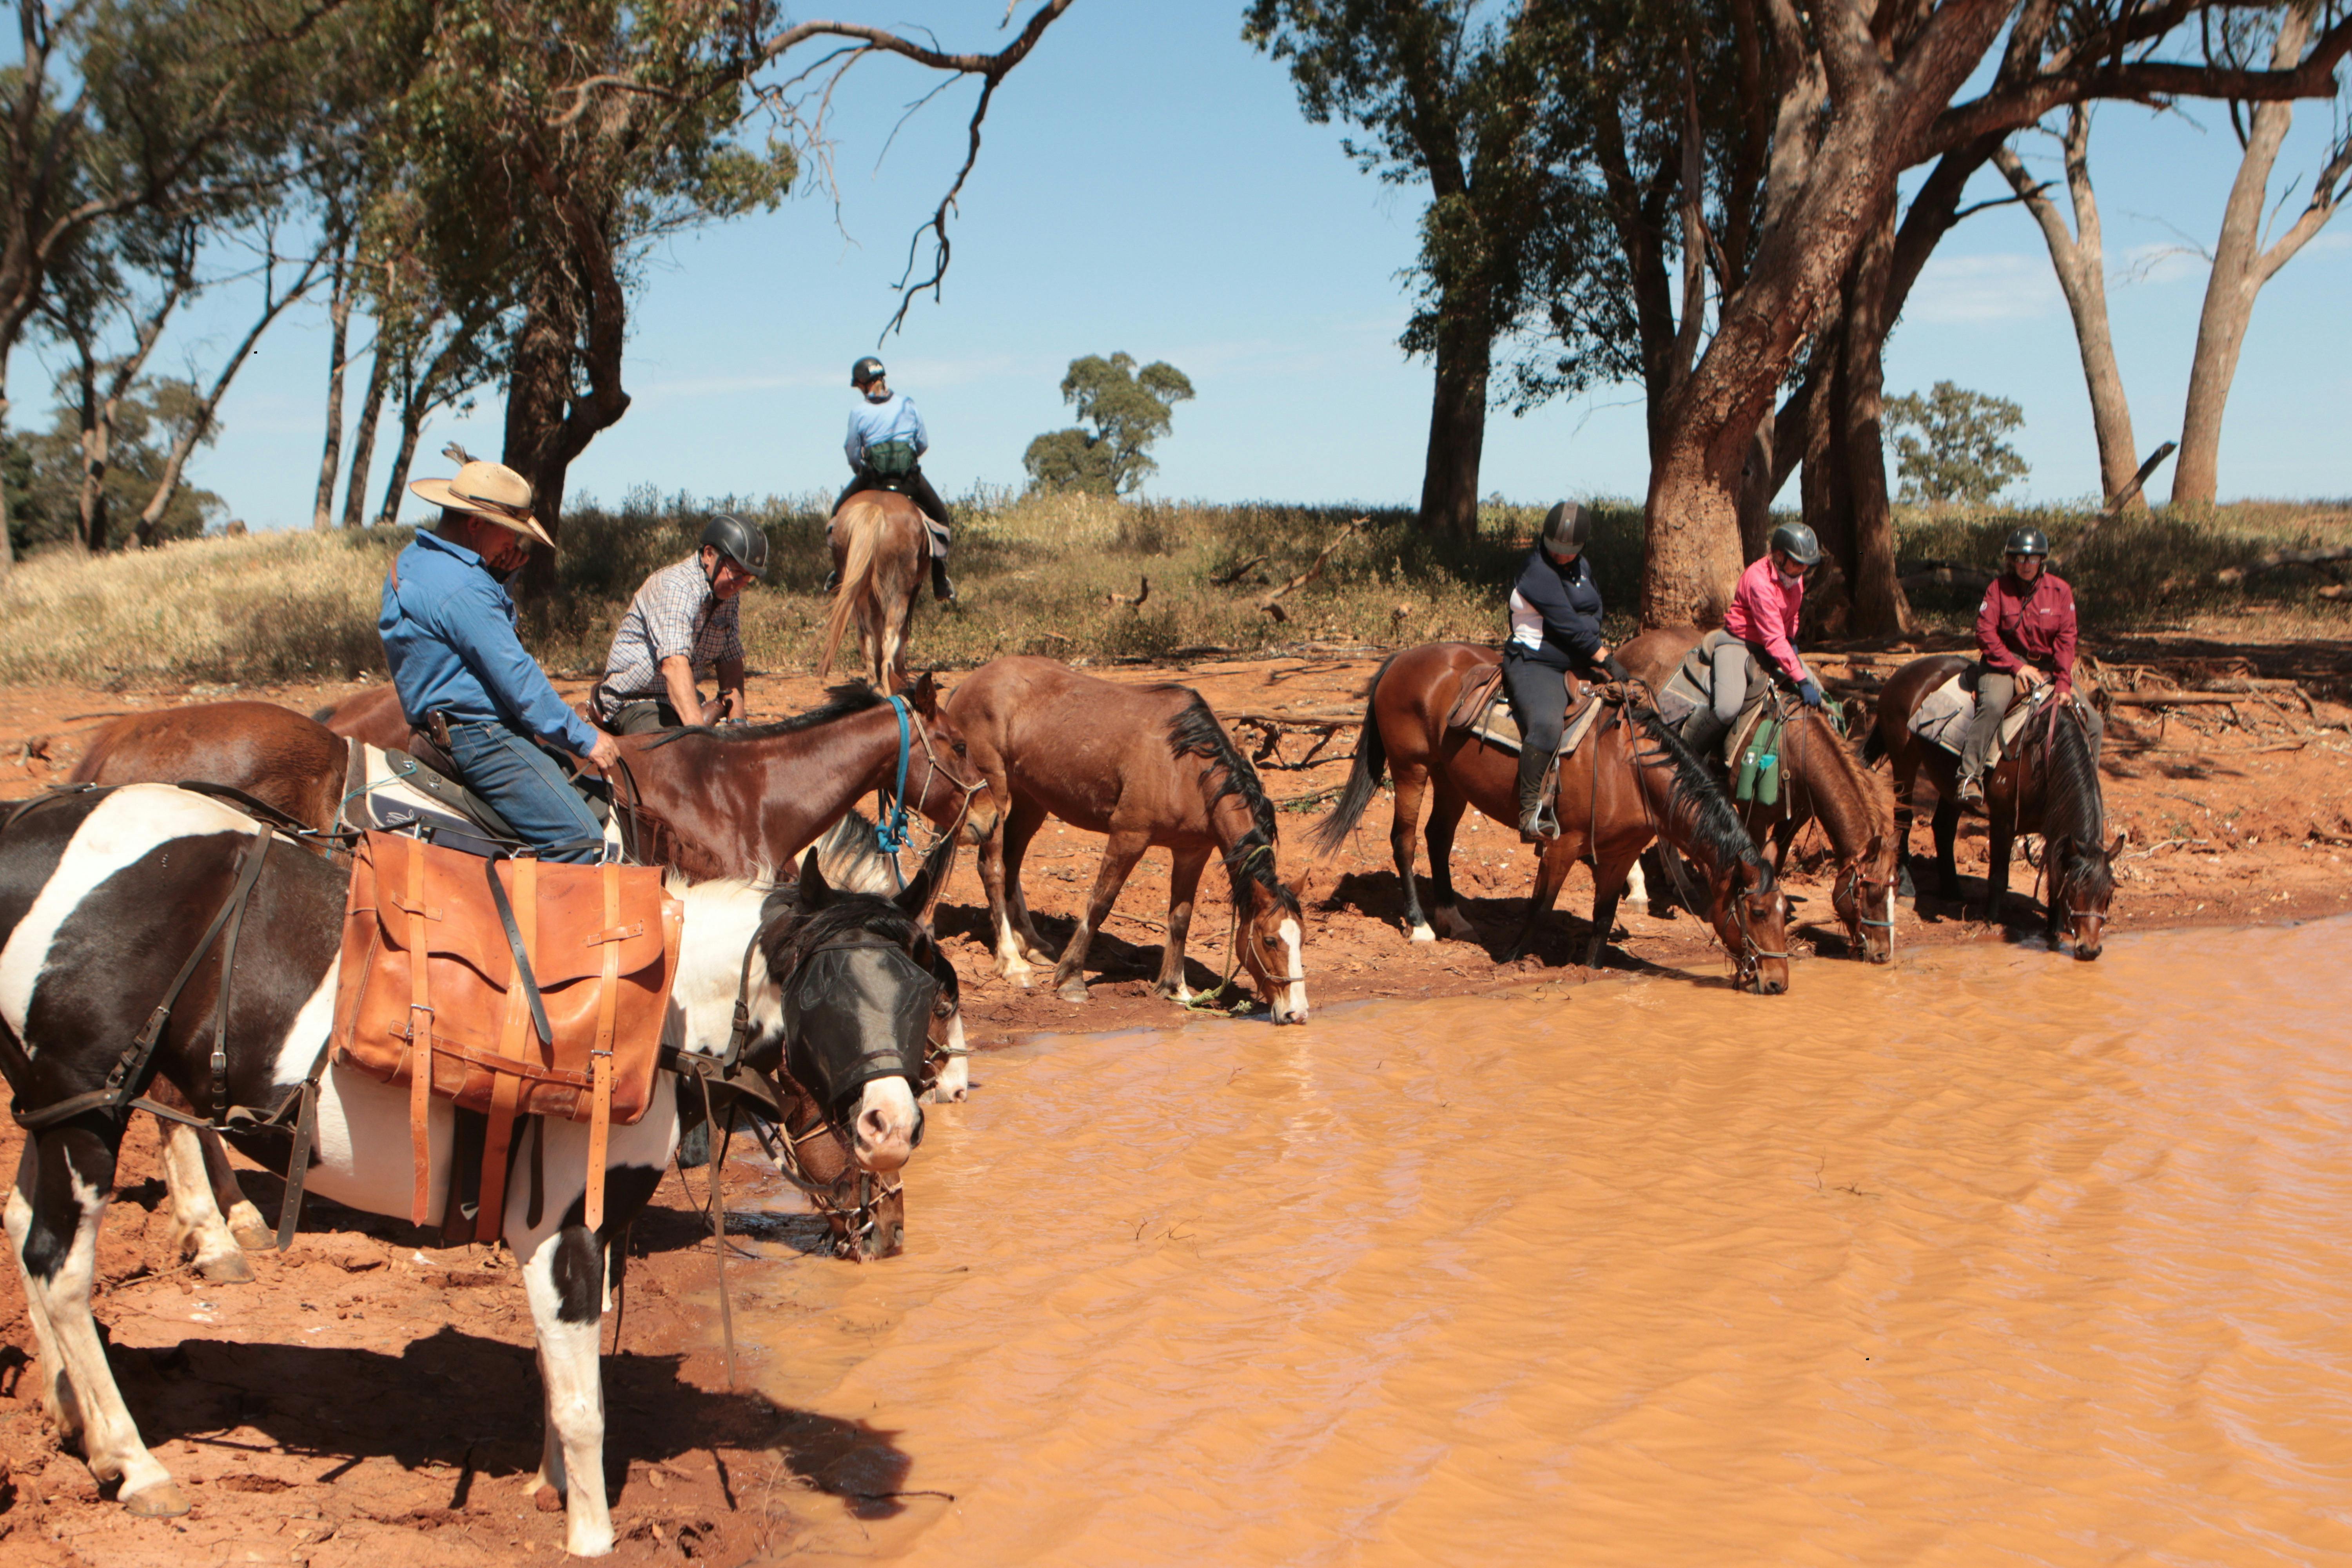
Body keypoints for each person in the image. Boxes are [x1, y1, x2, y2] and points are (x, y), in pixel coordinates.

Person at [380, 459, 619, 863]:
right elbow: (517, 677)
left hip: (434, 729)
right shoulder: (465, 585)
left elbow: (461, 636)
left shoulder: (411, 560)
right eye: (510, 532)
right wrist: (585, 737)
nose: (514, 546)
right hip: (481, 738)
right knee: (581, 842)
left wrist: (498, 579)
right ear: (476, 525)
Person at [1503, 500, 1629, 842]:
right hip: (1536, 662)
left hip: (1579, 659)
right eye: (1555, 549)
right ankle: (1530, 812)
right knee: (1545, 726)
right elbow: (1570, 625)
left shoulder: (1583, 567)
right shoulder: (1537, 570)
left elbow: (1594, 609)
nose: (1561, 556)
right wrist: (1609, 661)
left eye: (1568, 551)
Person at [1956, 525, 2099, 804]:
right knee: (1995, 705)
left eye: (2032, 559)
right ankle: (1969, 777)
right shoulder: (1998, 589)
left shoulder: (2060, 591)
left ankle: (2089, 795)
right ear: (2011, 561)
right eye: (2020, 559)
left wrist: (2063, 684)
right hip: (2004, 662)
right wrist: (2016, 667)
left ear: (2042, 561)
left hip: (2047, 667)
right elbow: (1985, 634)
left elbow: (2067, 639)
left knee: (2093, 722)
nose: (2026, 565)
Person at [591, 514, 765, 734]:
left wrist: (738, 725)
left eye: (749, 578)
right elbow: (674, 665)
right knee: (675, 760)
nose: (741, 584)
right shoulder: (677, 588)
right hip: (636, 701)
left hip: (679, 701)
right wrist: (699, 739)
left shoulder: (728, 593)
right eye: (737, 573)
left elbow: (730, 659)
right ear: (709, 555)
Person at [1684, 522, 1826, 767]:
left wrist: (1791, 639)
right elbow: (1772, 638)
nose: (1802, 570)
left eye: (1806, 565)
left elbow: (1792, 616)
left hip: (1775, 642)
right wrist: (1800, 680)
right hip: (1740, 643)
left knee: (1821, 692)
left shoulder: (1796, 578)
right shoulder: (1759, 582)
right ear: (1779, 556)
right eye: (1797, 563)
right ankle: (1688, 760)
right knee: (1728, 707)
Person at [829, 355, 955, 603]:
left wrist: (861, 471)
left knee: (836, 518)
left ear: (864, 384)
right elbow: (923, 444)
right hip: (908, 478)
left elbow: (852, 450)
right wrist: (906, 461)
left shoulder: (859, 412)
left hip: (872, 479)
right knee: (941, 518)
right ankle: (940, 582)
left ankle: (839, 576)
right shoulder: (908, 404)